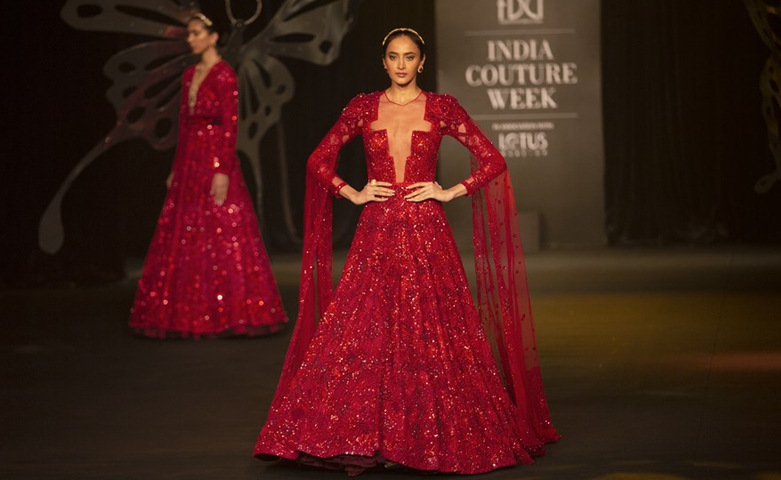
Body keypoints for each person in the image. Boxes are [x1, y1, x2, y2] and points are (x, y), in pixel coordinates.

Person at [253, 28, 559, 474]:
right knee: (364, 329)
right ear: (384, 62)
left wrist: (450, 190)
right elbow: (318, 160)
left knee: (433, 330)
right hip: (375, 231)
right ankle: (366, 432)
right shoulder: (363, 107)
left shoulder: (442, 108)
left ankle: (419, 434)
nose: (401, 64)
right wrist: (351, 192)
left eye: (409, 57)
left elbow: (492, 159)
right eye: (394, 57)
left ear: (422, 61)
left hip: (426, 231)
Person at [129, 12, 287, 338]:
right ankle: (187, 311)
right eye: (189, 34)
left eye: (197, 33)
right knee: (186, 232)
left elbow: (230, 126)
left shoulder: (225, 76)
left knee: (224, 231)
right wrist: (176, 168)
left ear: (213, 37)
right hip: (190, 159)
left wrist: (222, 170)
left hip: (214, 154)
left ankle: (230, 311)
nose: (191, 39)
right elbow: (184, 125)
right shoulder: (190, 74)